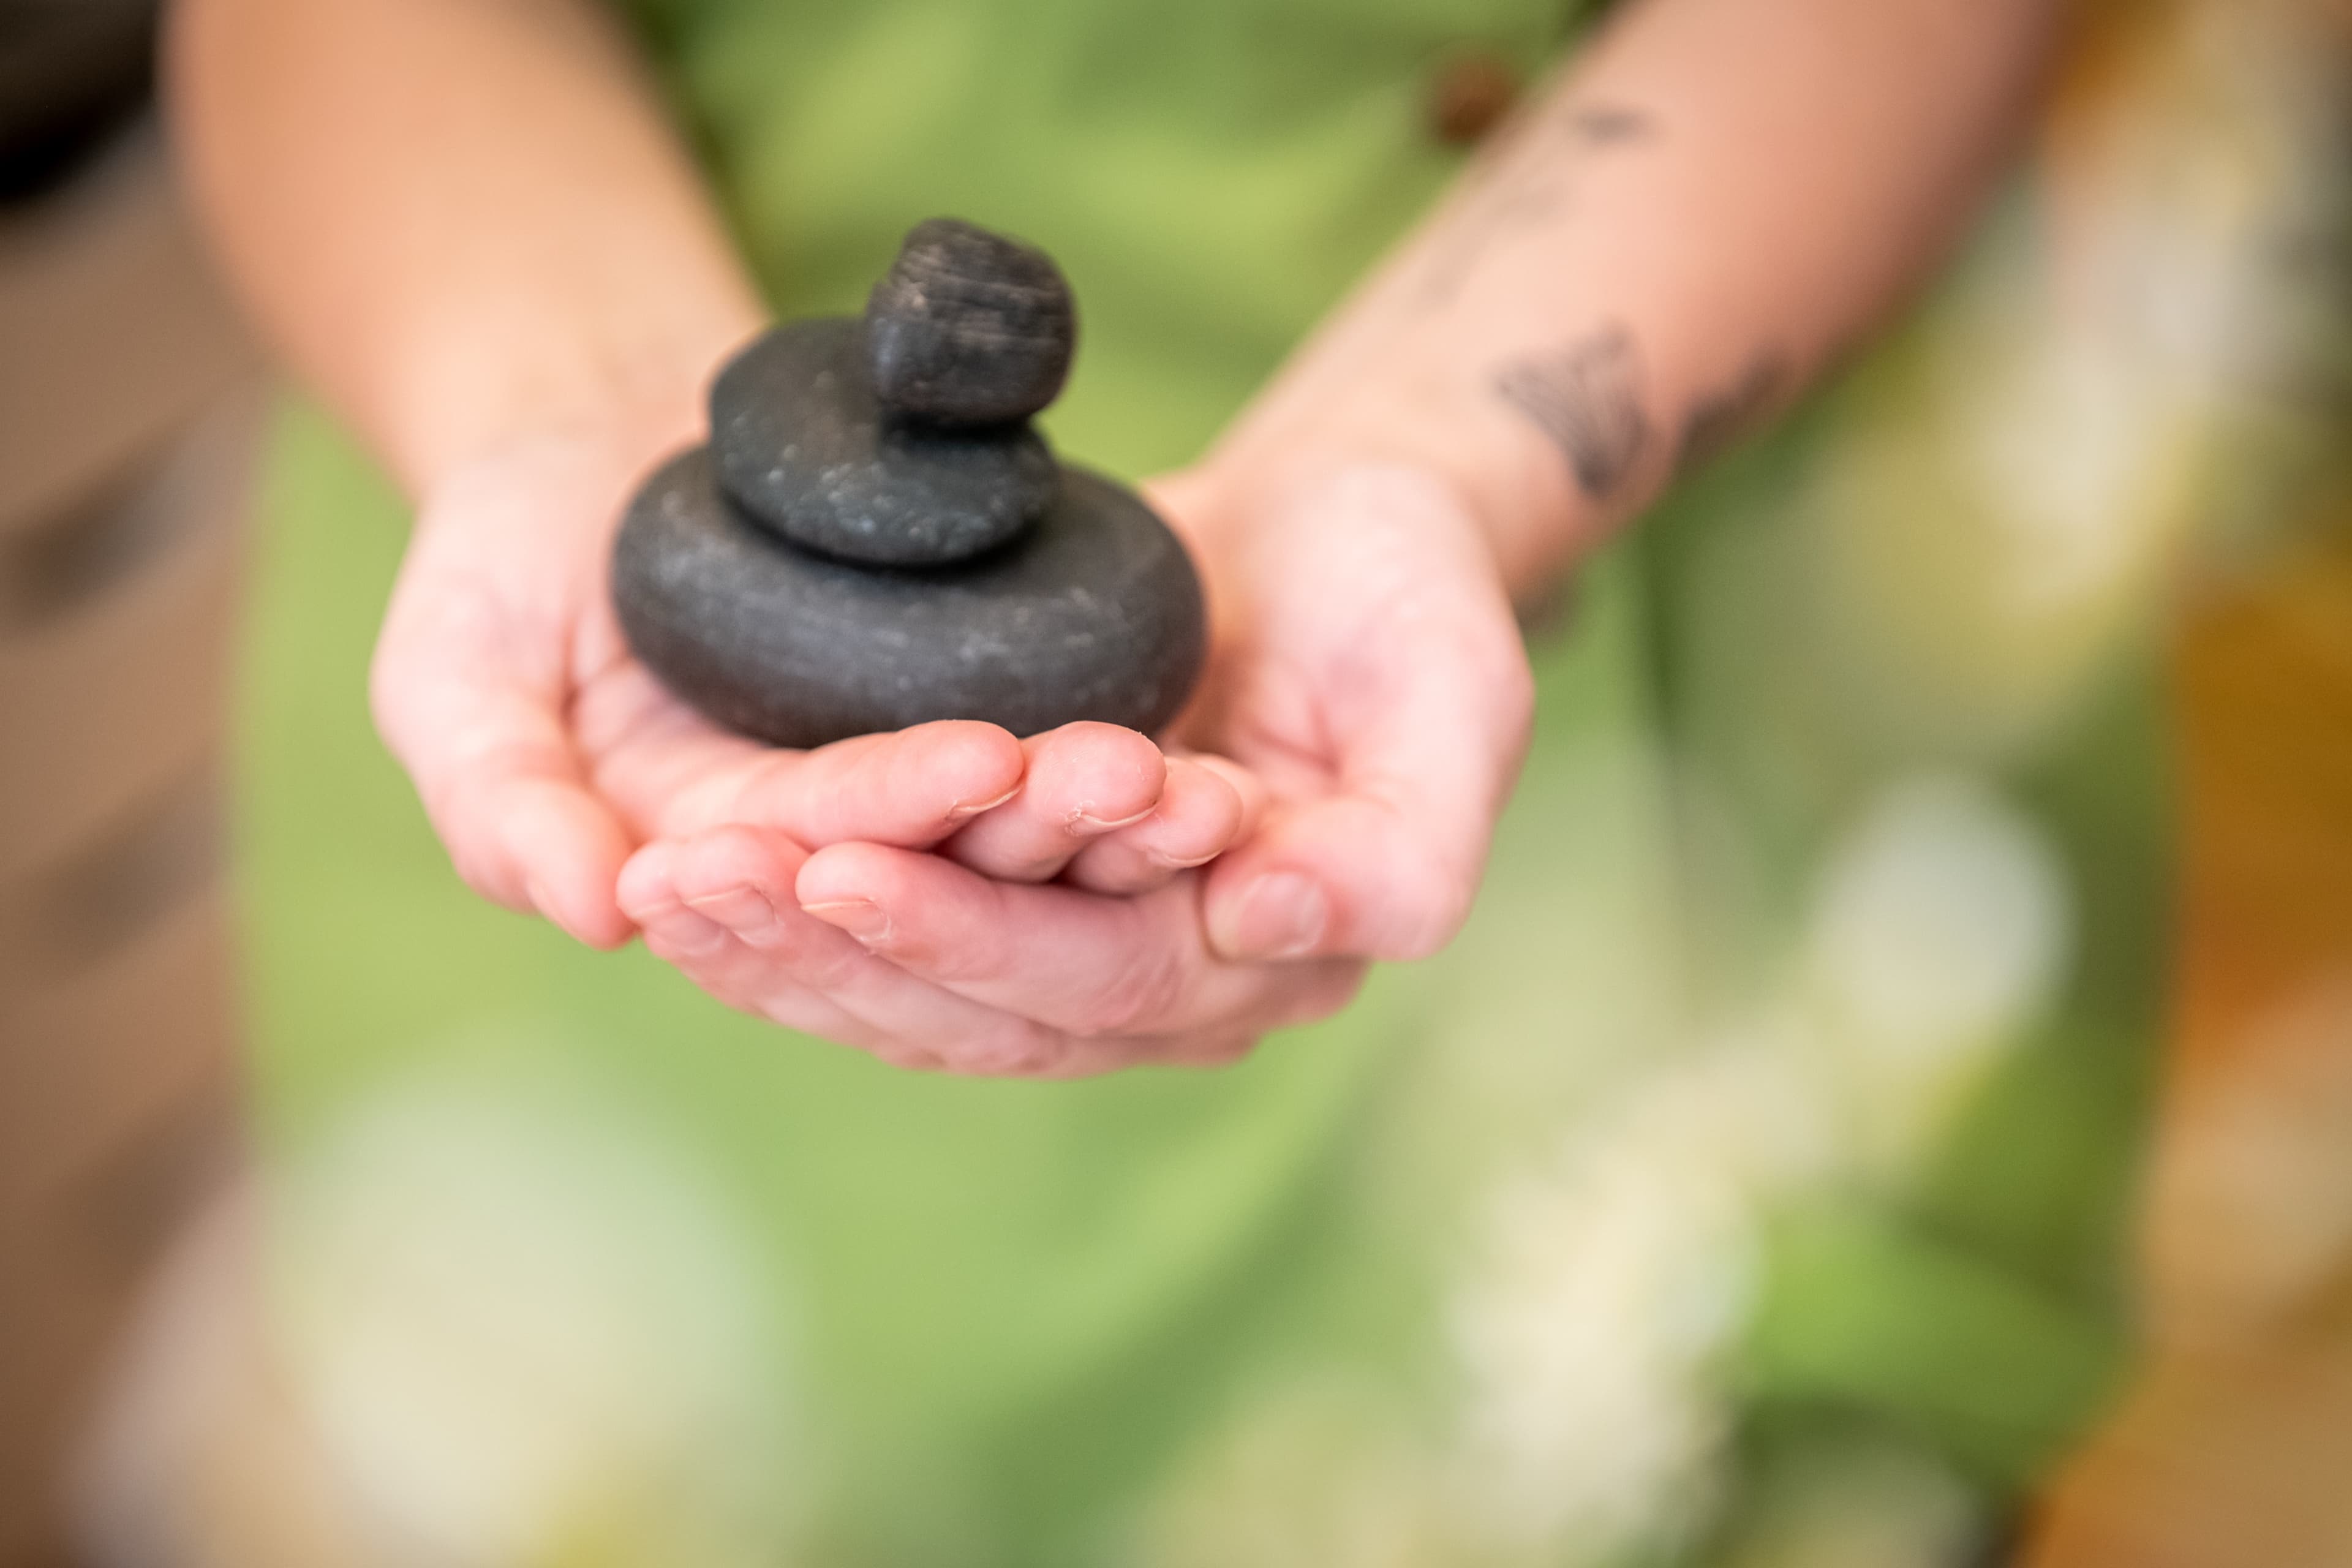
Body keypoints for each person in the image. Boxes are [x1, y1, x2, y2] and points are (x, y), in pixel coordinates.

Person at [147, 0, 2294, 1562]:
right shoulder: (742, 533)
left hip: (1745, 646)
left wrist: (1438, 463)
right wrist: (577, 400)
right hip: (595, 696)